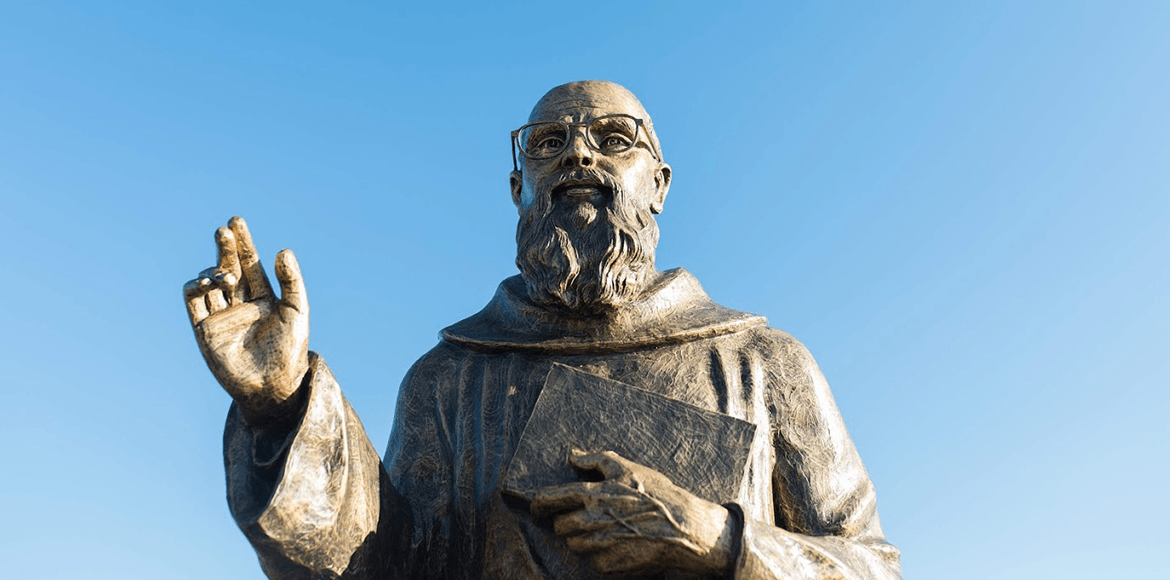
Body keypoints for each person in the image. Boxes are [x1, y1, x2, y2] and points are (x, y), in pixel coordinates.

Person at [183, 81, 902, 580]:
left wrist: (716, 538)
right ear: (517, 188)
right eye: (548, 143)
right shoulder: (449, 379)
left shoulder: (764, 366)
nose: (579, 155)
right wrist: (278, 408)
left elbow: (869, 564)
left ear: (660, 183)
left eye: (614, 139)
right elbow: (382, 566)